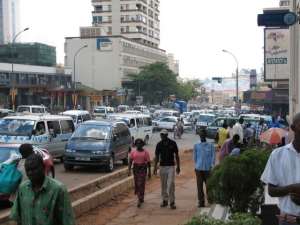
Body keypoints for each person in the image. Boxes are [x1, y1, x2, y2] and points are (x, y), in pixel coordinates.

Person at [10, 154, 75, 225]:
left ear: (43, 168)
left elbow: (67, 220)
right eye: (28, 170)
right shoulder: (22, 189)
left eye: (34, 169)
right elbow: (19, 218)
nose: (30, 173)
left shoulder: (58, 189)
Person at [261, 113, 300, 225]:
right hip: (286, 220)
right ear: (293, 128)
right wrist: (292, 188)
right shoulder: (277, 155)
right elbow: (271, 191)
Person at [153, 129, 180, 210]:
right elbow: (157, 157)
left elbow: (177, 155)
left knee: (171, 184)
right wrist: (155, 167)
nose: (162, 136)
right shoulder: (159, 144)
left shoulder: (173, 143)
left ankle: (172, 202)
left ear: (167, 135)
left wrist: (178, 166)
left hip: (171, 166)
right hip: (162, 166)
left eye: (164, 134)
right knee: (163, 184)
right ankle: (165, 200)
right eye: (161, 134)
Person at [194, 129, 215, 208]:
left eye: (203, 134)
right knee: (199, 186)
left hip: (207, 169)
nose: (202, 135)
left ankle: (210, 199)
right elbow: (195, 157)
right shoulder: (196, 145)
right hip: (199, 169)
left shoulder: (210, 145)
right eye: (200, 134)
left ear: (205, 135)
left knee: (209, 185)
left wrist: (211, 165)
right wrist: (197, 165)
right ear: (199, 135)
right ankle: (201, 202)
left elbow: (213, 156)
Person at [128, 139, 151, 208]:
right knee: (137, 183)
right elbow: (130, 161)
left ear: (142, 144)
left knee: (141, 183)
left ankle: (140, 198)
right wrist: (129, 170)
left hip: (143, 168)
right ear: (135, 145)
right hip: (136, 168)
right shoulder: (133, 152)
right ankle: (140, 197)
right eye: (137, 144)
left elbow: (148, 162)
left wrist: (149, 172)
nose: (138, 145)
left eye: (140, 144)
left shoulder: (145, 152)